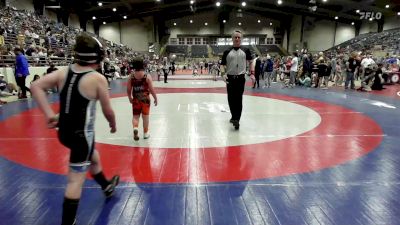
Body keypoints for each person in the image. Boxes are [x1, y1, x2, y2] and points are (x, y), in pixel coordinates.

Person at [31, 34, 119, 225]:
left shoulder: (63, 72)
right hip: (82, 136)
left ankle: (106, 186)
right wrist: (113, 123)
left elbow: (36, 86)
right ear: (98, 58)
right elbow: (107, 110)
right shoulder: (97, 78)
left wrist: (49, 115)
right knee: (75, 181)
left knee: (93, 157)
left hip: (64, 133)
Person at [220, 30, 253, 130]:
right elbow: (222, 65)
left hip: (240, 78)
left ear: (241, 38)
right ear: (232, 38)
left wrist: (252, 73)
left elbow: (251, 62)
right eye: (235, 37)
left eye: (239, 37)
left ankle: (236, 119)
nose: (237, 39)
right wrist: (222, 74)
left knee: (238, 99)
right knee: (231, 99)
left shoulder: (246, 50)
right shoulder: (227, 51)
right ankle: (234, 116)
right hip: (230, 78)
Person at [127, 58, 158, 141]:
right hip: (145, 100)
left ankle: (135, 128)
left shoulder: (131, 76)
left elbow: (128, 89)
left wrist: (130, 97)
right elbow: (151, 89)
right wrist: (155, 98)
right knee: (145, 117)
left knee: (135, 116)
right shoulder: (147, 76)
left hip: (136, 100)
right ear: (143, 65)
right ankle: (145, 133)